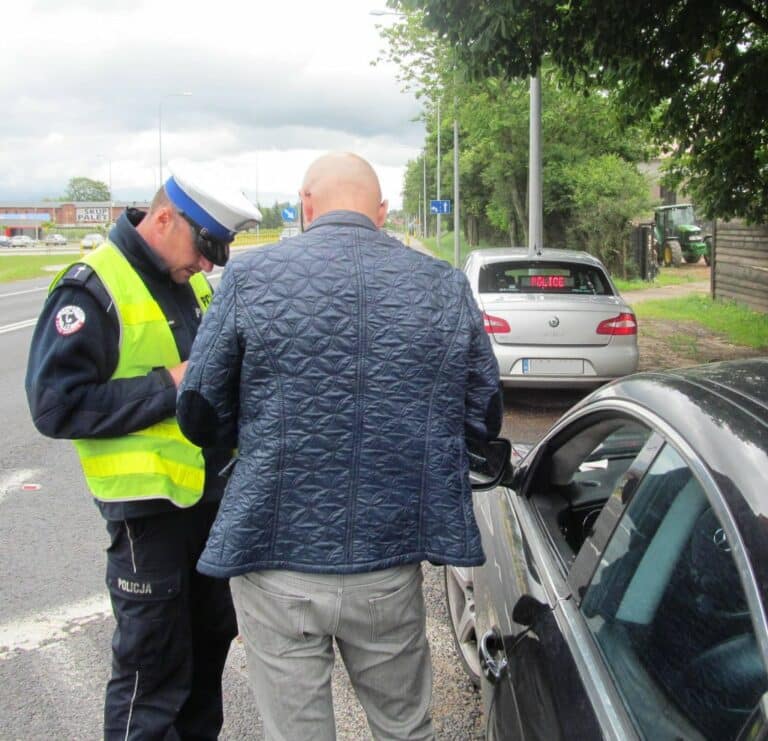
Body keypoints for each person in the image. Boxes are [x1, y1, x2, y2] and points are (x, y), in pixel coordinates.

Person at [177, 151, 502, 741]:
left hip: (275, 555)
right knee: (405, 728)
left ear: (305, 203)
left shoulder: (250, 278)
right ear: (380, 211)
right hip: (387, 558)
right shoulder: (443, 286)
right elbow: (482, 415)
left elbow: (199, 408)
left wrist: (259, 437)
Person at [25, 163, 261, 740]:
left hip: (208, 507)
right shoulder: (93, 285)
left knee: (207, 659)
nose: (209, 264)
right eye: (205, 246)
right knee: (152, 675)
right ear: (162, 219)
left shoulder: (193, 282)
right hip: (147, 518)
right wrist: (170, 383)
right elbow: (56, 406)